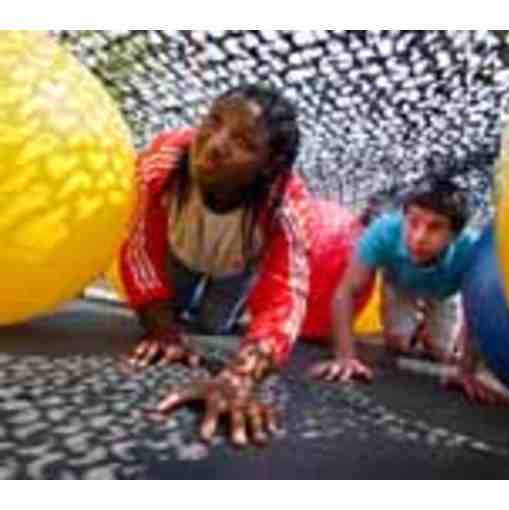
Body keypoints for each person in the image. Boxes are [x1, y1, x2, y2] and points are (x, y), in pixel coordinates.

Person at [115, 84, 372, 445]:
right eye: (213, 121)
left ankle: (223, 311)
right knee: (169, 314)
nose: (215, 144)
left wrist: (242, 375)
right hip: (179, 254)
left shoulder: (286, 203)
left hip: (234, 269)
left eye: (243, 142)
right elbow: (139, 243)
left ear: (268, 165)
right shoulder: (164, 160)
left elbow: (287, 292)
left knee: (213, 326)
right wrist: (162, 330)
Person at [311, 181, 509, 405]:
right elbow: (347, 291)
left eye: (435, 227)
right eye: (413, 222)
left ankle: (427, 333)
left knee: (442, 352)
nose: (419, 237)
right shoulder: (382, 233)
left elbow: (476, 311)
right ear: (403, 217)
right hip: (400, 285)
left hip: (444, 293)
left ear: (455, 235)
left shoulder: (471, 251)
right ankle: (413, 329)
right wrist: (345, 356)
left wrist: (466, 370)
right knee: (398, 344)